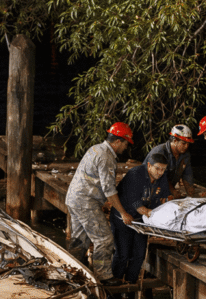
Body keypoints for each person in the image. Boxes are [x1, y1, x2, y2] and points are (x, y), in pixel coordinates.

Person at [65, 122, 135, 285]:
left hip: (74, 198)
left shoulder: (95, 148)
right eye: (125, 143)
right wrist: (123, 212)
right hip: (86, 202)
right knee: (104, 239)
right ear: (117, 141)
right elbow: (109, 189)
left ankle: (71, 272)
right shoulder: (106, 157)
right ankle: (103, 276)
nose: (126, 147)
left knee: (79, 239)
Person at [111, 152, 171, 287]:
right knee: (122, 254)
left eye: (163, 169)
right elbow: (136, 204)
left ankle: (130, 285)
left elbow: (164, 198)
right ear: (149, 166)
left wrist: (168, 206)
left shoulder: (162, 176)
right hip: (123, 217)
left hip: (141, 220)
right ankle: (114, 288)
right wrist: (153, 215)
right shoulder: (135, 174)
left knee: (139, 254)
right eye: (157, 168)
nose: (160, 172)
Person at [144, 125, 196, 198]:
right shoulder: (159, 152)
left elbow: (187, 174)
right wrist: (173, 191)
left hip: (163, 190)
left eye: (188, 144)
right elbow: (160, 177)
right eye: (183, 143)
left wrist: (190, 194)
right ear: (175, 141)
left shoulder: (185, 155)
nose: (186, 146)